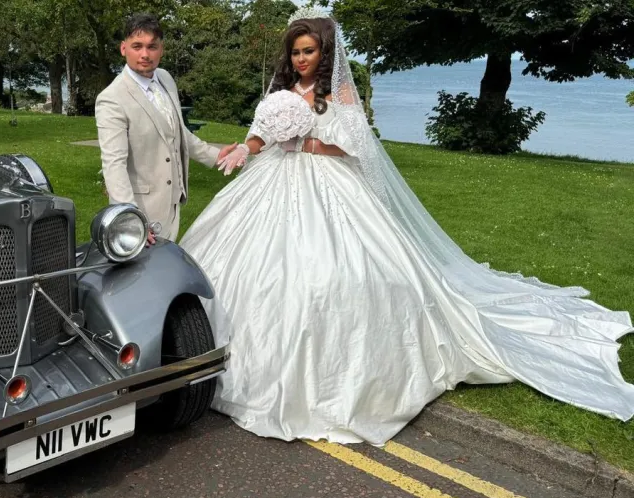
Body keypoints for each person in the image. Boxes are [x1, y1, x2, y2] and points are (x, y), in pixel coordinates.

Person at [179, 7, 634, 445]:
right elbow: (262, 135)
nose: (301, 60)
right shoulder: (278, 95)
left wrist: (312, 145)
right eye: (296, 52)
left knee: (337, 270)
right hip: (273, 181)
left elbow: (358, 149)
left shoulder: (339, 97)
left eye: (309, 52)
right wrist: (246, 149)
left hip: (327, 184)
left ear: (325, 55)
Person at [95, 13, 237, 242]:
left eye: (152, 46)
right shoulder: (112, 99)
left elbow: (178, 132)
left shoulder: (165, 78)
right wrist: (131, 220)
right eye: (137, 46)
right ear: (123, 48)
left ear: (161, 49)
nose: (144, 54)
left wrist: (215, 154)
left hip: (172, 202)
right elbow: (114, 165)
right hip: (142, 211)